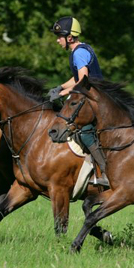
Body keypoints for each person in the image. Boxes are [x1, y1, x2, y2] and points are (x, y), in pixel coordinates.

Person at [47, 16, 105, 172]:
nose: (57, 40)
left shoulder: (79, 53)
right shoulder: (80, 50)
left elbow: (83, 80)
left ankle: (103, 168)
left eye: (59, 37)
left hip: (93, 99)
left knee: (85, 133)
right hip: (89, 96)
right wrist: (60, 87)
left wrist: (61, 94)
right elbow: (77, 77)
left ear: (70, 37)